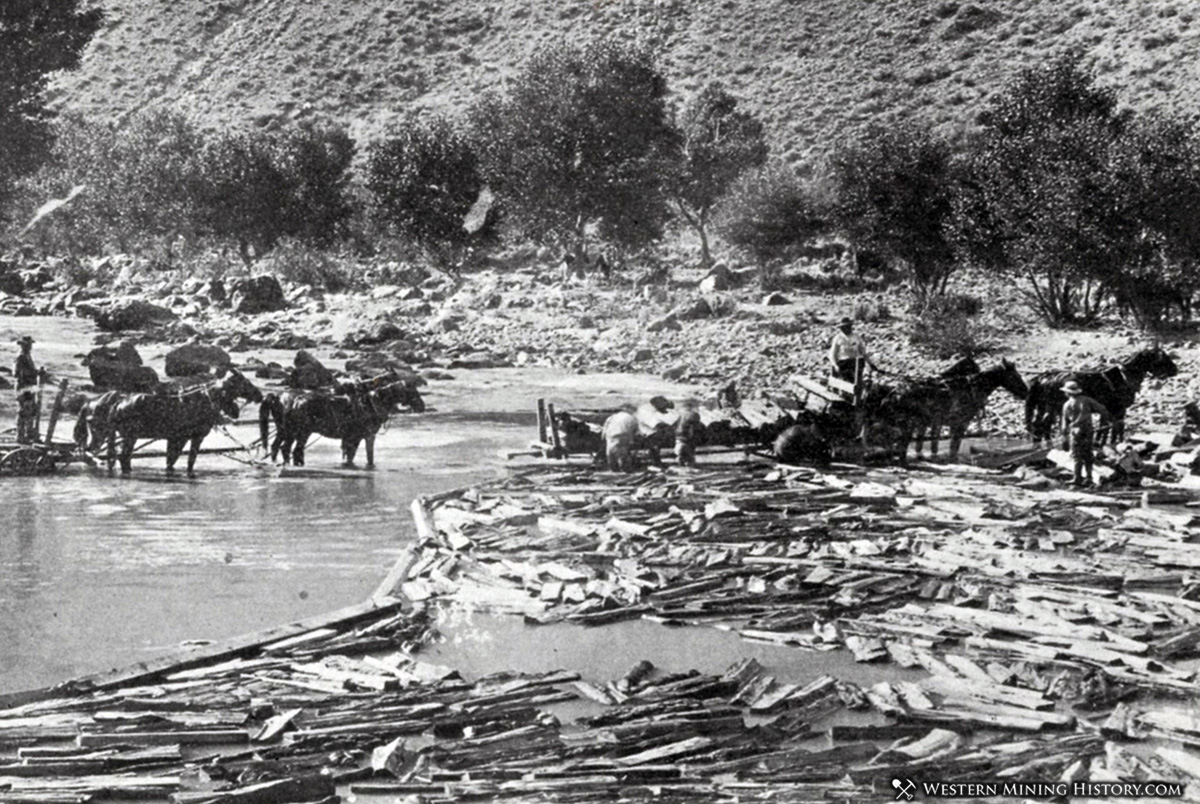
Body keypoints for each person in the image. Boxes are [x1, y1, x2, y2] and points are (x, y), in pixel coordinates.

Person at [1060, 380, 1111, 487]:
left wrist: (1064, 436)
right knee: (1087, 454)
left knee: (1076, 455)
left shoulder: (1066, 405)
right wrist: (1104, 421)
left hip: (1074, 432)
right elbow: (1103, 410)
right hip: (1087, 430)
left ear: (1067, 393)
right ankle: (1088, 477)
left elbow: (1064, 422)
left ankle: (1077, 478)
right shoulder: (1087, 400)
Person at [14, 335, 44, 444]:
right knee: (23, 411)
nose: (30, 346)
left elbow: (29, 370)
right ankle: (21, 436)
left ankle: (29, 433)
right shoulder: (20, 357)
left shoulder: (27, 356)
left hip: (29, 388)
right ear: (23, 345)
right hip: (23, 388)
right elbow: (17, 373)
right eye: (28, 344)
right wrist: (35, 373)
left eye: (30, 344)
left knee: (31, 410)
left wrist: (37, 372)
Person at [828, 317, 874, 384]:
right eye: (844, 327)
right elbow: (832, 354)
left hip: (855, 362)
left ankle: (860, 384)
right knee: (846, 378)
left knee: (859, 367)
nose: (846, 329)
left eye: (848, 327)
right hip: (843, 363)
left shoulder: (856, 337)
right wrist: (835, 365)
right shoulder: (838, 338)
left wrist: (870, 363)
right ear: (841, 328)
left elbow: (863, 352)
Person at [601, 408, 639, 473]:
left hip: (611, 435)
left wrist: (603, 436)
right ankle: (626, 468)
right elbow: (635, 429)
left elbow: (605, 427)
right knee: (623, 452)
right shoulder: (632, 418)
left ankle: (614, 468)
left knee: (610, 452)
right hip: (624, 434)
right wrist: (632, 439)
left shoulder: (612, 417)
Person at [674, 401, 702, 467]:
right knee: (690, 448)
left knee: (681, 446)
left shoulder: (679, 414)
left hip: (679, 433)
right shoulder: (694, 414)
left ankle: (680, 459)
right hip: (689, 434)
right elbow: (696, 425)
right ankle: (689, 461)